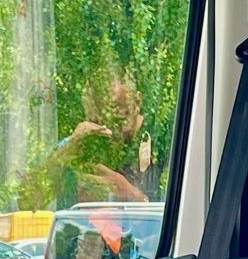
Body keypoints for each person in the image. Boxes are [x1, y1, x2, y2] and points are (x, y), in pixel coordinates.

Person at [20, 66, 159, 208]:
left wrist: (128, 193)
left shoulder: (161, 146)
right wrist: (68, 149)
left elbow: (168, 215)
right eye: (102, 117)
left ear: (137, 101)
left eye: (120, 116)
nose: (111, 128)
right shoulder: (82, 144)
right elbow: (27, 200)